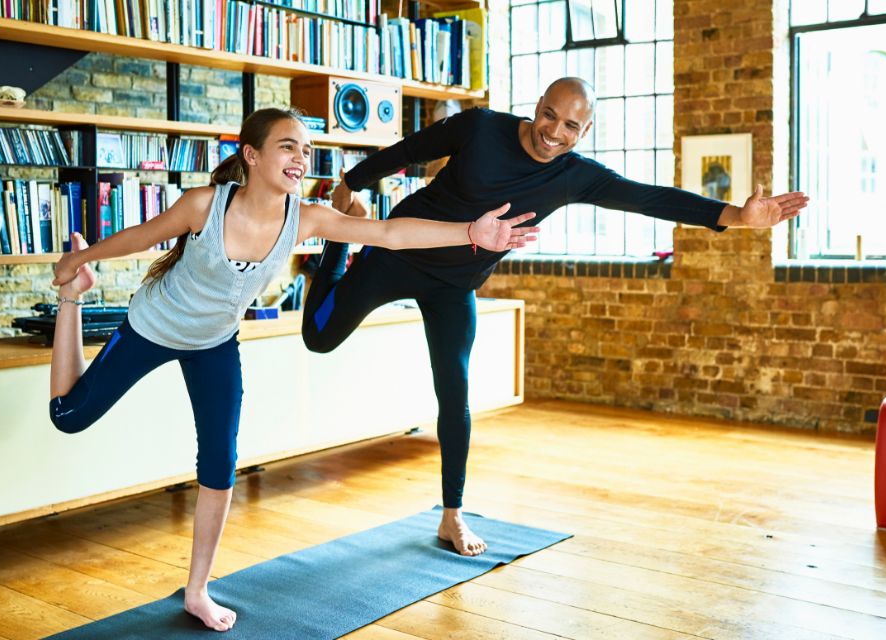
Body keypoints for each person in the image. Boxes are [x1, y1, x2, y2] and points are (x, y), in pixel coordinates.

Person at [47, 107, 539, 632]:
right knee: (69, 416)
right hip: (154, 327)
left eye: (305, 149)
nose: (301, 157)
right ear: (252, 155)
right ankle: (70, 306)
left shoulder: (305, 218)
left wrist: (471, 233)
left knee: (220, 465)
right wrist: (77, 265)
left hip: (213, 344)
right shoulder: (203, 206)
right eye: (288, 146)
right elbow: (143, 237)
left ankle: (197, 590)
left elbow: (391, 233)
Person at [305, 77, 810, 557]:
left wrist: (736, 217)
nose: (554, 132)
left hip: (454, 285)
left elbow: (649, 198)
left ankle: (452, 514)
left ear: (584, 131)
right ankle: (337, 241)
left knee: (455, 391)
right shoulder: (480, 127)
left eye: (571, 126)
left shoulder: (573, 175)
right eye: (549, 115)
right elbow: (406, 152)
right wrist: (348, 186)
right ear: (537, 106)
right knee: (319, 339)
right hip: (398, 249)